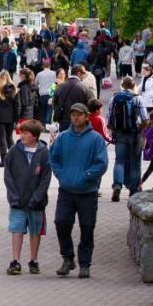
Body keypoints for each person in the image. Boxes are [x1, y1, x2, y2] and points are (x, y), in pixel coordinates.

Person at [50, 103, 109, 278]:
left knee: (87, 227)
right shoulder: (62, 138)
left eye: (79, 114)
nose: (76, 117)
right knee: (61, 223)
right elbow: (53, 157)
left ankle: (85, 263)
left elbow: (101, 163)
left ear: (86, 116)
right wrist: (61, 174)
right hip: (66, 190)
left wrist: (87, 176)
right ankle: (68, 258)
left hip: (88, 192)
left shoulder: (96, 139)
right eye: (73, 114)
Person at [3, 119, 52, 275]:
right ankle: (15, 260)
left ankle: (33, 260)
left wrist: (37, 197)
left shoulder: (44, 153)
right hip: (18, 200)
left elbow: (45, 178)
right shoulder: (14, 151)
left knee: (35, 231)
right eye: (21, 132)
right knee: (17, 229)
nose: (22, 135)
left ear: (35, 136)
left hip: (36, 202)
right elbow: (8, 176)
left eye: (26, 133)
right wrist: (13, 197)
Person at [108, 76, 148, 202]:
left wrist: (112, 131)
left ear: (122, 85)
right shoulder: (138, 98)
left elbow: (109, 119)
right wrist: (140, 130)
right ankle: (134, 190)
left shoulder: (114, 97)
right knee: (135, 161)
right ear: (133, 85)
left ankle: (117, 185)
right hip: (134, 133)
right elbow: (145, 119)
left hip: (119, 133)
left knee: (119, 161)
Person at [0, 71, 21, 165]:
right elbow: (17, 106)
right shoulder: (15, 90)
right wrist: (17, 120)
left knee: (2, 138)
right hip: (10, 116)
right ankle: (13, 160)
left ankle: (3, 160)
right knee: (9, 137)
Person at [52, 66, 88, 133]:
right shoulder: (83, 87)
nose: (84, 76)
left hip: (63, 120)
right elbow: (90, 104)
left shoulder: (60, 86)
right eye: (84, 74)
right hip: (79, 121)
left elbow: (54, 102)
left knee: (65, 140)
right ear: (79, 74)